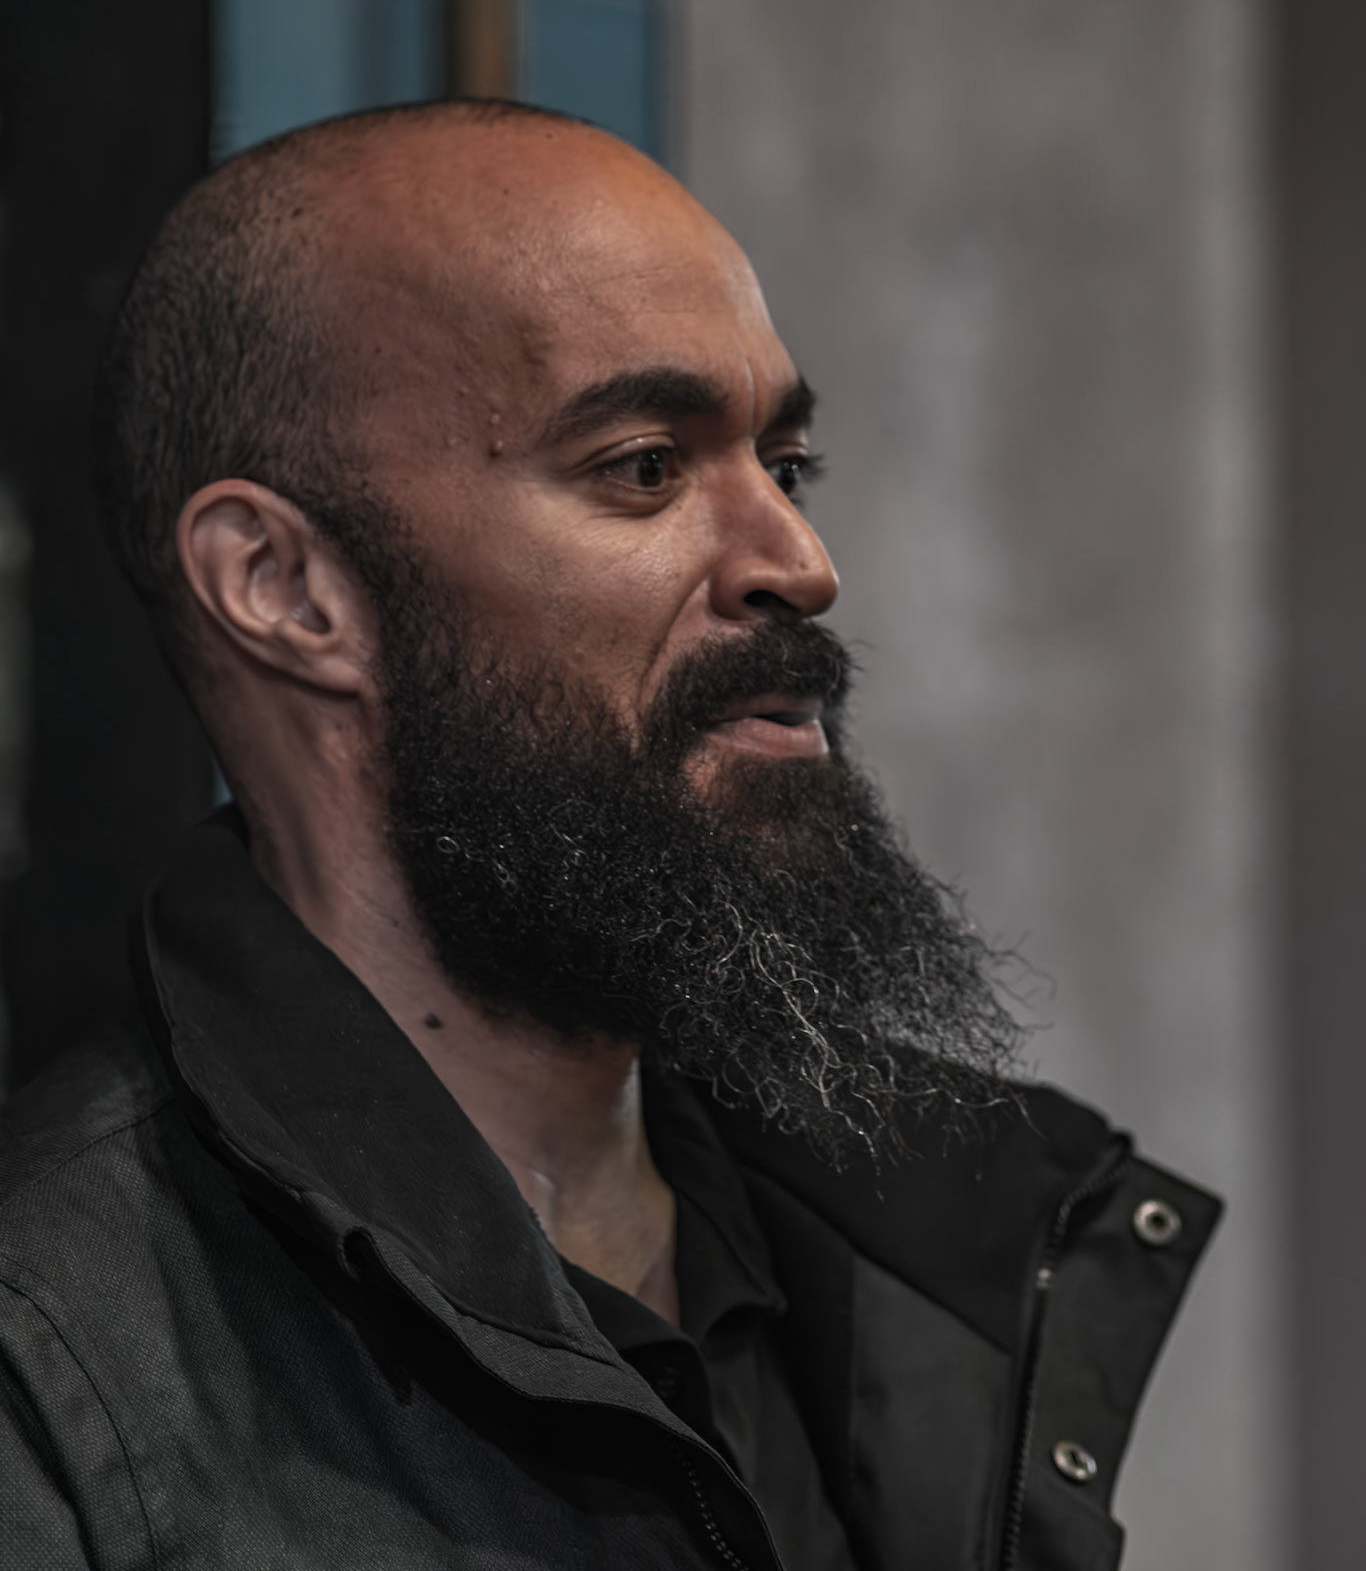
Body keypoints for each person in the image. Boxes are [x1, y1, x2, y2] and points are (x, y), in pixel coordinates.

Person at [0, 100, 1217, 1570]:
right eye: (643, 465)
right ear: (285, 587)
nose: (800, 563)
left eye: (786, 464)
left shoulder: (898, 1250)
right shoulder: (59, 1369)